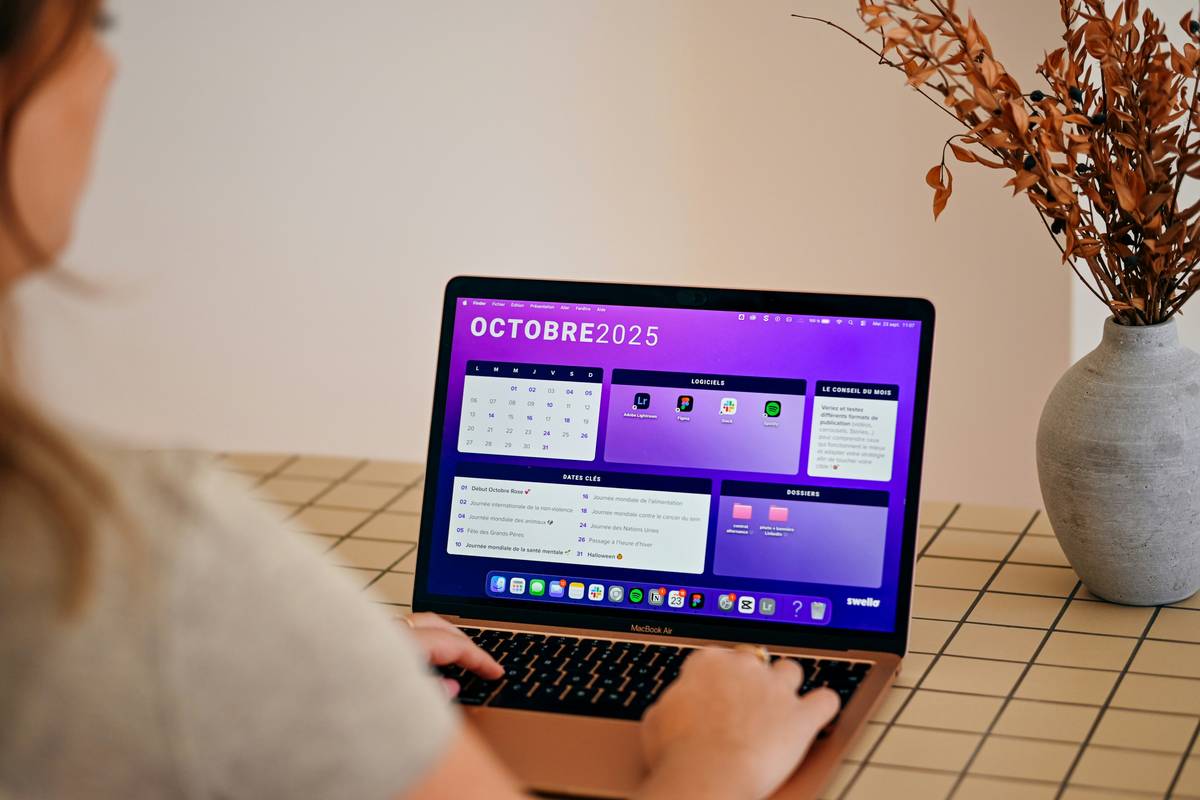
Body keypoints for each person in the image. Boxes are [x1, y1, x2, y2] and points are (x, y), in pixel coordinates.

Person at [0, 2, 840, 798]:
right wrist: (716, 762)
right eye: (87, 25)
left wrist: (324, 676)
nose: (106, 68)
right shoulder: (145, 562)